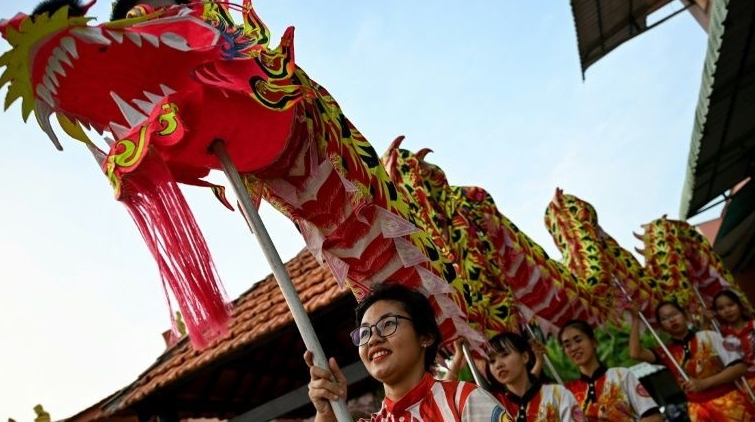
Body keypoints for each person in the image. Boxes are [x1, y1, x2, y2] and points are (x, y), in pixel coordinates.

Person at [305, 282, 512, 422]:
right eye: (365, 332)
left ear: (426, 336)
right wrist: (326, 415)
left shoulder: (463, 400)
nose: (374, 338)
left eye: (388, 324)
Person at [629, 301, 755, 421]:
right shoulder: (666, 352)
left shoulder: (709, 336)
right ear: (661, 326)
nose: (671, 320)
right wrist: (635, 319)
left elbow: (740, 367)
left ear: (685, 315)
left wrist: (705, 383)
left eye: (674, 314)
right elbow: (635, 353)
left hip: (730, 404)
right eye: (665, 318)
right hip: (698, 410)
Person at [559, 319, 662, 422]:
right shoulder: (568, 393)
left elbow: (653, 416)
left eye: (578, 340)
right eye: (567, 345)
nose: (574, 348)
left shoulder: (621, 375)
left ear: (594, 342)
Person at [482, 332, 584, 421]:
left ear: (525, 357)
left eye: (505, 354)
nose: (498, 365)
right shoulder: (494, 406)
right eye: (492, 361)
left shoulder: (557, 394)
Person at [712, 289, 755, 387]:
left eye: (731, 305)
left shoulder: (753, 325)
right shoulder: (721, 336)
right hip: (744, 386)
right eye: (721, 308)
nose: (727, 310)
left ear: (739, 305)